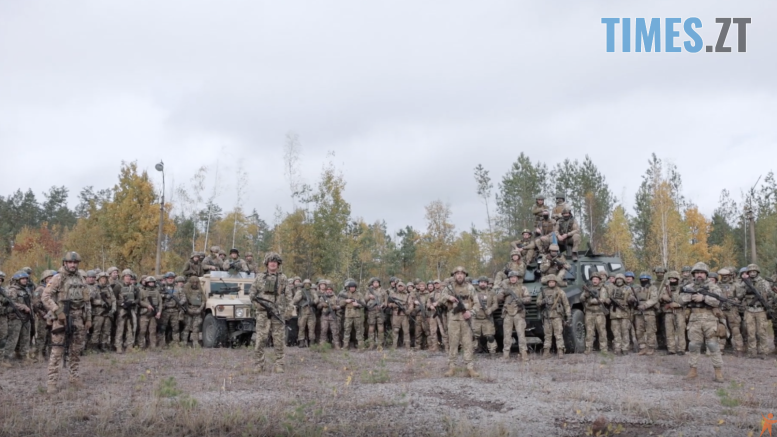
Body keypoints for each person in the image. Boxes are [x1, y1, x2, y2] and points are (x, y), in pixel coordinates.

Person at [41, 252, 92, 394]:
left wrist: (88, 318)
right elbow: (45, 296)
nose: (73, 265)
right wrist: (57, 311)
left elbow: (87, 301)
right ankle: (52, 382)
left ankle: (74, 377)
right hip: (61, 319)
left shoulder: (81, 278)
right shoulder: (58, 278)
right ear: (65, 263)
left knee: (76, 350)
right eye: (70, 262)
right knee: (57, 350)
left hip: (78, 317)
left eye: (75, 263)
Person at [680, 262, 724, 382]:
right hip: (694, 318)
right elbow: (680, 299)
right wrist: (691, 297)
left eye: (702, 273)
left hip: (710, 318)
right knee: (693, 345)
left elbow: (718, 301)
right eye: (697, 273)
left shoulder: (713, 287)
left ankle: (718, 372)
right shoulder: (689, 286)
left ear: (706, 274)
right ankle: (693, 370)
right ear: (693, 274)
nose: (699, 275)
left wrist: (704, 298)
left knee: (713, 345)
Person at [250, 252, 290, 372]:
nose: (273, 264)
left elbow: (289, 296)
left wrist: (288, 311)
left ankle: (279, 364)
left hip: (277, 313)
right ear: (267, 264)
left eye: (275, 262)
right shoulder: (259, 277)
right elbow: (252, 294)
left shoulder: (283, 278)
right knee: (260, 340)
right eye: (271, 262)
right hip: (262, 314)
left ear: (278, 264)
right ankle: (259, 364)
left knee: (279, 340)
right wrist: (258, 306)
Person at [442, 266, 478, 377]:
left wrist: (471, 313)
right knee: (453, 343)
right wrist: (449, 298)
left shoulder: (470, 288)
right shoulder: (449, 288)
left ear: (465, 275)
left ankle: (470, 368)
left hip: (466, 319)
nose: (459, 275)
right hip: (453, 319)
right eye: (457, 274)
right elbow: (441, 299)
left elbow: (477, 304)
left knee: (467, 343)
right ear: (454, 275)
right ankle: (451, 367)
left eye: (462, 274)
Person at [737, 264, 775, 358]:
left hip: (761, 310)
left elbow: (771, 296)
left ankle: (763, 352)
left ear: (757, 272)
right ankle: (752, 352)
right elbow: (739, 296)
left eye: (754, 271)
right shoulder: (744, 283)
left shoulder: (764, 282)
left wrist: (767, 305)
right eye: (750, 272)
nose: (752, 273)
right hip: (749, 310)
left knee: (762, 332)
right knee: (750, 332)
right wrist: (745, 289)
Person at [496, 271, 531, 362]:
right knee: (507, 335)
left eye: (514, 277)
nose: (513, 279)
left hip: (518, 313)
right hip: (508, 314)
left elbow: (528, 298)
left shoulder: (522, 288)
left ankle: (524, 354)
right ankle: (506, 355)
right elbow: (498, 299)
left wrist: (521, 300)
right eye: (511, 277)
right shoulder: (505, 288)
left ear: (517, 278)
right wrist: (504, 292)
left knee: (521, 335)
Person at [0, 272, 32, 367]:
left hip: (26, 316)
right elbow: (11, 303)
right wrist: (23, 306)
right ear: (17, 280)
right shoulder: (13, 290)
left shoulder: (26, 289)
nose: (25, 280)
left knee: (25, 337)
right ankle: (6, 358)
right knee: (12, 338)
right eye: (22, 279)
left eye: (26, 279)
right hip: (15, 317)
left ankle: (24, 356)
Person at [538, 274, 571, 358]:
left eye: (553, 282)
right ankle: (546, 351)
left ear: (555, 282)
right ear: (547, 283)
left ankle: (560, 351)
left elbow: (566, 304)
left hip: (557, 316)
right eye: (550, 282)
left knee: (558, 334)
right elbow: (537, 303)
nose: (551, 283)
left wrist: (568, 315)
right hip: (547, 316)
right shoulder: (543, 291)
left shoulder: (560, 292)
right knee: (547, 335)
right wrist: (543, 301)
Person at [716, 268, 744, 356]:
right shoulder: (717, 285)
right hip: (721, 310)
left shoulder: (736, 285)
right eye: (722, 276)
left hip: (732, 310)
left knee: (735, 330)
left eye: (726, 276)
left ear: (730, 275)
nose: (724, 277)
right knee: (721, 329)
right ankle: (720, 348)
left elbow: (741, 296)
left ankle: (739, 349)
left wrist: (736, 300)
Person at [31, 270, 56, 362]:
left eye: (52, 278)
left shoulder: (55, 289)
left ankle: (49, 354)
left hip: (53, 315)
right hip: (43, 316)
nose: (51, 279)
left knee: (51, 336)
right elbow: (35, 303)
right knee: (42, 335)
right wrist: (43, 313)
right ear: (44, 279)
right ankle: (39, 354)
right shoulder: (40, 289)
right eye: (49, 278)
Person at [659, 271, 686, 355]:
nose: (672, 280)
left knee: (681, 331)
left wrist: (677, 304)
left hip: (680, 312)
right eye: (670, 279)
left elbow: (686, 299)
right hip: (668, 312)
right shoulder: (665, 288)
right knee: (669, 331)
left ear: (677, 279)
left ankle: (681, 349)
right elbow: (659, 298)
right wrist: (663, 297)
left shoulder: (682, 288)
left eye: (674, 279)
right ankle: (671, 349)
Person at [581, 273, 609, 354]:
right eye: (593, 279)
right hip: (589, 312)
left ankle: (604, 349)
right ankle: (588, 348)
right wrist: (586, 295)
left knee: (602, 331)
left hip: (599, 313)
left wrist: (591, 301)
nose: (595, 281)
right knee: (589, 331)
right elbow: (581, 298)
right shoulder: (588, 288)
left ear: (599, 280)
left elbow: (603, 299)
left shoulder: (602, 289)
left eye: (596, 279)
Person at [89, 272, 116, 353]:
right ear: (99, 279)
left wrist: (113, 309)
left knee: (106, 330)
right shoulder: (95, 288)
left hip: (108, 312)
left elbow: (113, 299)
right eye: (102, 278)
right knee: (97, 330)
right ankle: (94, 346)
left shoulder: (109, 288)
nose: (104, 280)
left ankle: (103, 345)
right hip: (98, 313)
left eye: (105, 278)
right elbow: (90, 300)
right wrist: (100, 302)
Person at [609, 273, 636, 355]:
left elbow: (632, 298)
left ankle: (625, 348)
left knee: (625, 331)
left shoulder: (628, 289)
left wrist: (631, 299)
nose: (619, 281)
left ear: (623, 280)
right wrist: (608, 300)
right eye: (617, 279)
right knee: (616, 332)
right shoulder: (612, 288)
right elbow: (607, 297)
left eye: (620, 279)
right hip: (614, 314)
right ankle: (617, 348)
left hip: (625, 313)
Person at [471, 277, 498, 355]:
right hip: (475, 317)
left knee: (490, 336)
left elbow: (495, 304)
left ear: (487, 283)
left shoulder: (491, 292)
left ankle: (492, 352)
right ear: (478, 283)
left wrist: (490, 310)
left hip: (487, 318)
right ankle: (472, 351)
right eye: (481, 282)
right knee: (473, 336)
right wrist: (473, 309)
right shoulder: (473, 291)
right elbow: (469, 302)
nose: (483, 284)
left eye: (484, 282)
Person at [634, 273, 659, 355]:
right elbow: (632, 295)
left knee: (650, 330)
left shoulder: (653, 288)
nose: (643, 281)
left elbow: (654, 299)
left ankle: (650, 347)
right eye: (642, 279)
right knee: (639, 331)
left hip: (649, 312)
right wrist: (631, 299)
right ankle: (642, 347)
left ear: (649, 280)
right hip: (638, 313)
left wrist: (645, 305)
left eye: (645, 279)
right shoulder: (637, 288)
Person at [159, 272, 185, 347]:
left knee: (176, 328)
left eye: (172, 278)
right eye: (169, 278)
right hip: (165, 310)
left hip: (175, 310)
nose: (170, 280)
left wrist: (180, 303)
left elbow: (184, 298)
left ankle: (176, 343)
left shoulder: (178, 288)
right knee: (163, 327)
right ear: (166, 279)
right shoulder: (162, 288)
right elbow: (158, 296)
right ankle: (162, 343)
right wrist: (164, 296)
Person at [114, 270, 137, 353]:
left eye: (129, 276)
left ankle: (129, 346)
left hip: (131, 309)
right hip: (122, 310)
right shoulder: (118, 286)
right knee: (120, 328)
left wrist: (133, 302)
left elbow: (138, 298)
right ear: (123, 277)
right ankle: (118, 346)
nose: (128, 278)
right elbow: (114, 298)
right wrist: (122, 303)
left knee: (130, 328)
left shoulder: (133, 287)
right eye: (126, 276)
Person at [293, 279, 318, 347]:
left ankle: (311, 342)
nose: (307, 285)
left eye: (308, 284)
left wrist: (312, 302)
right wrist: (301, 296)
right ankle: (301, 341)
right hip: (302, 312)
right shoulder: (300, 291)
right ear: (303, 285)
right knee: (301, 327)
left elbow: (316, 299)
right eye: (305, 284)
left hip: (311, 312)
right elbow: (294, 301)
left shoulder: (312, 291)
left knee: (311, 328)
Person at [182, 276, 205, 348]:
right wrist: (188, 309)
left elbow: (203, 301)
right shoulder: (186, 291)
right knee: (187, 327)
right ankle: (184, 342)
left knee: (196, 328)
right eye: (193, 282)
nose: (195, 284)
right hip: (189, 310)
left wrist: (200, 309)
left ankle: (195, 342)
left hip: (197, 310)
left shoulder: (200, 291)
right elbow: (184, 301)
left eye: (196, 282)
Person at [388, 281, 413, 349]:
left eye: (401, 286)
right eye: (399, 286)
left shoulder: (407, 295)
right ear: (397, 287)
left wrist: (409, 311)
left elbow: (411, 304)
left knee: (406, 331)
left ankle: (407, 346)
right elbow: (389, 304)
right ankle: (394, 345)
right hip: (396, 315)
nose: (400, 288)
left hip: (404, 315)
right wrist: (394, 305)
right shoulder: (393, 294)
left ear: (404, 287)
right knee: (395, 330)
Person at [365, 277, 387, 350]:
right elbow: (364, 300)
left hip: (380, 311)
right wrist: (369, 297)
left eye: (377, 282)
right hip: (371, 311)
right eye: (374, 282)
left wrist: (382, 305)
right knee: (371, 328)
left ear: (379, 283)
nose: (375, 284)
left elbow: (385, 302)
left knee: (380, 328)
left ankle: (380, 344)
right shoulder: (369, 291)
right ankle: (371, 344)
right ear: (372, 283)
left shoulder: (383, 291)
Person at [318, 281, 341, 349]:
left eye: (330, 289)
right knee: (323, 330)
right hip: (324, 316)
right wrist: (322, 304)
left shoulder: (335, 297)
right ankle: (322, 344)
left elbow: (340, 306)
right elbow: (318, 306)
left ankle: (336, 344)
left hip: (333, 316)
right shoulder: (322, 297)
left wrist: (335, 307)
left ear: (332, 290)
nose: (329, 291)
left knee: (335, 331)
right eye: (327, 289)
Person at [428, 279, 449, 353]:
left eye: (437, 283)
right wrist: (430, 306)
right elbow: (428, 303)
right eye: (435, 284)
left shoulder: (444, 293)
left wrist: (438, 303)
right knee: (433, 331)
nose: (436, 285)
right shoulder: (431, 294)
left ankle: (447, 348)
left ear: (440, 284)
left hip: (442, 314)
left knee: (444, 331)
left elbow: (446, 302)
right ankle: (435, 348)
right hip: (433, 314)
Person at [412, 281, 432, 351]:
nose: (421, 287)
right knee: (418, 331)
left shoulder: (428, 294)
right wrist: (414, 302)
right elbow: (411, 302)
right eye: (420, 286)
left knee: (427, 331)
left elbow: (429, 303)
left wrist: (428, 306)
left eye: (423, 286)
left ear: (425, 287)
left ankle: (429, 346)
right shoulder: (416, 294)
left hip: (425, 315)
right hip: (418, 315)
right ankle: (417, 346)